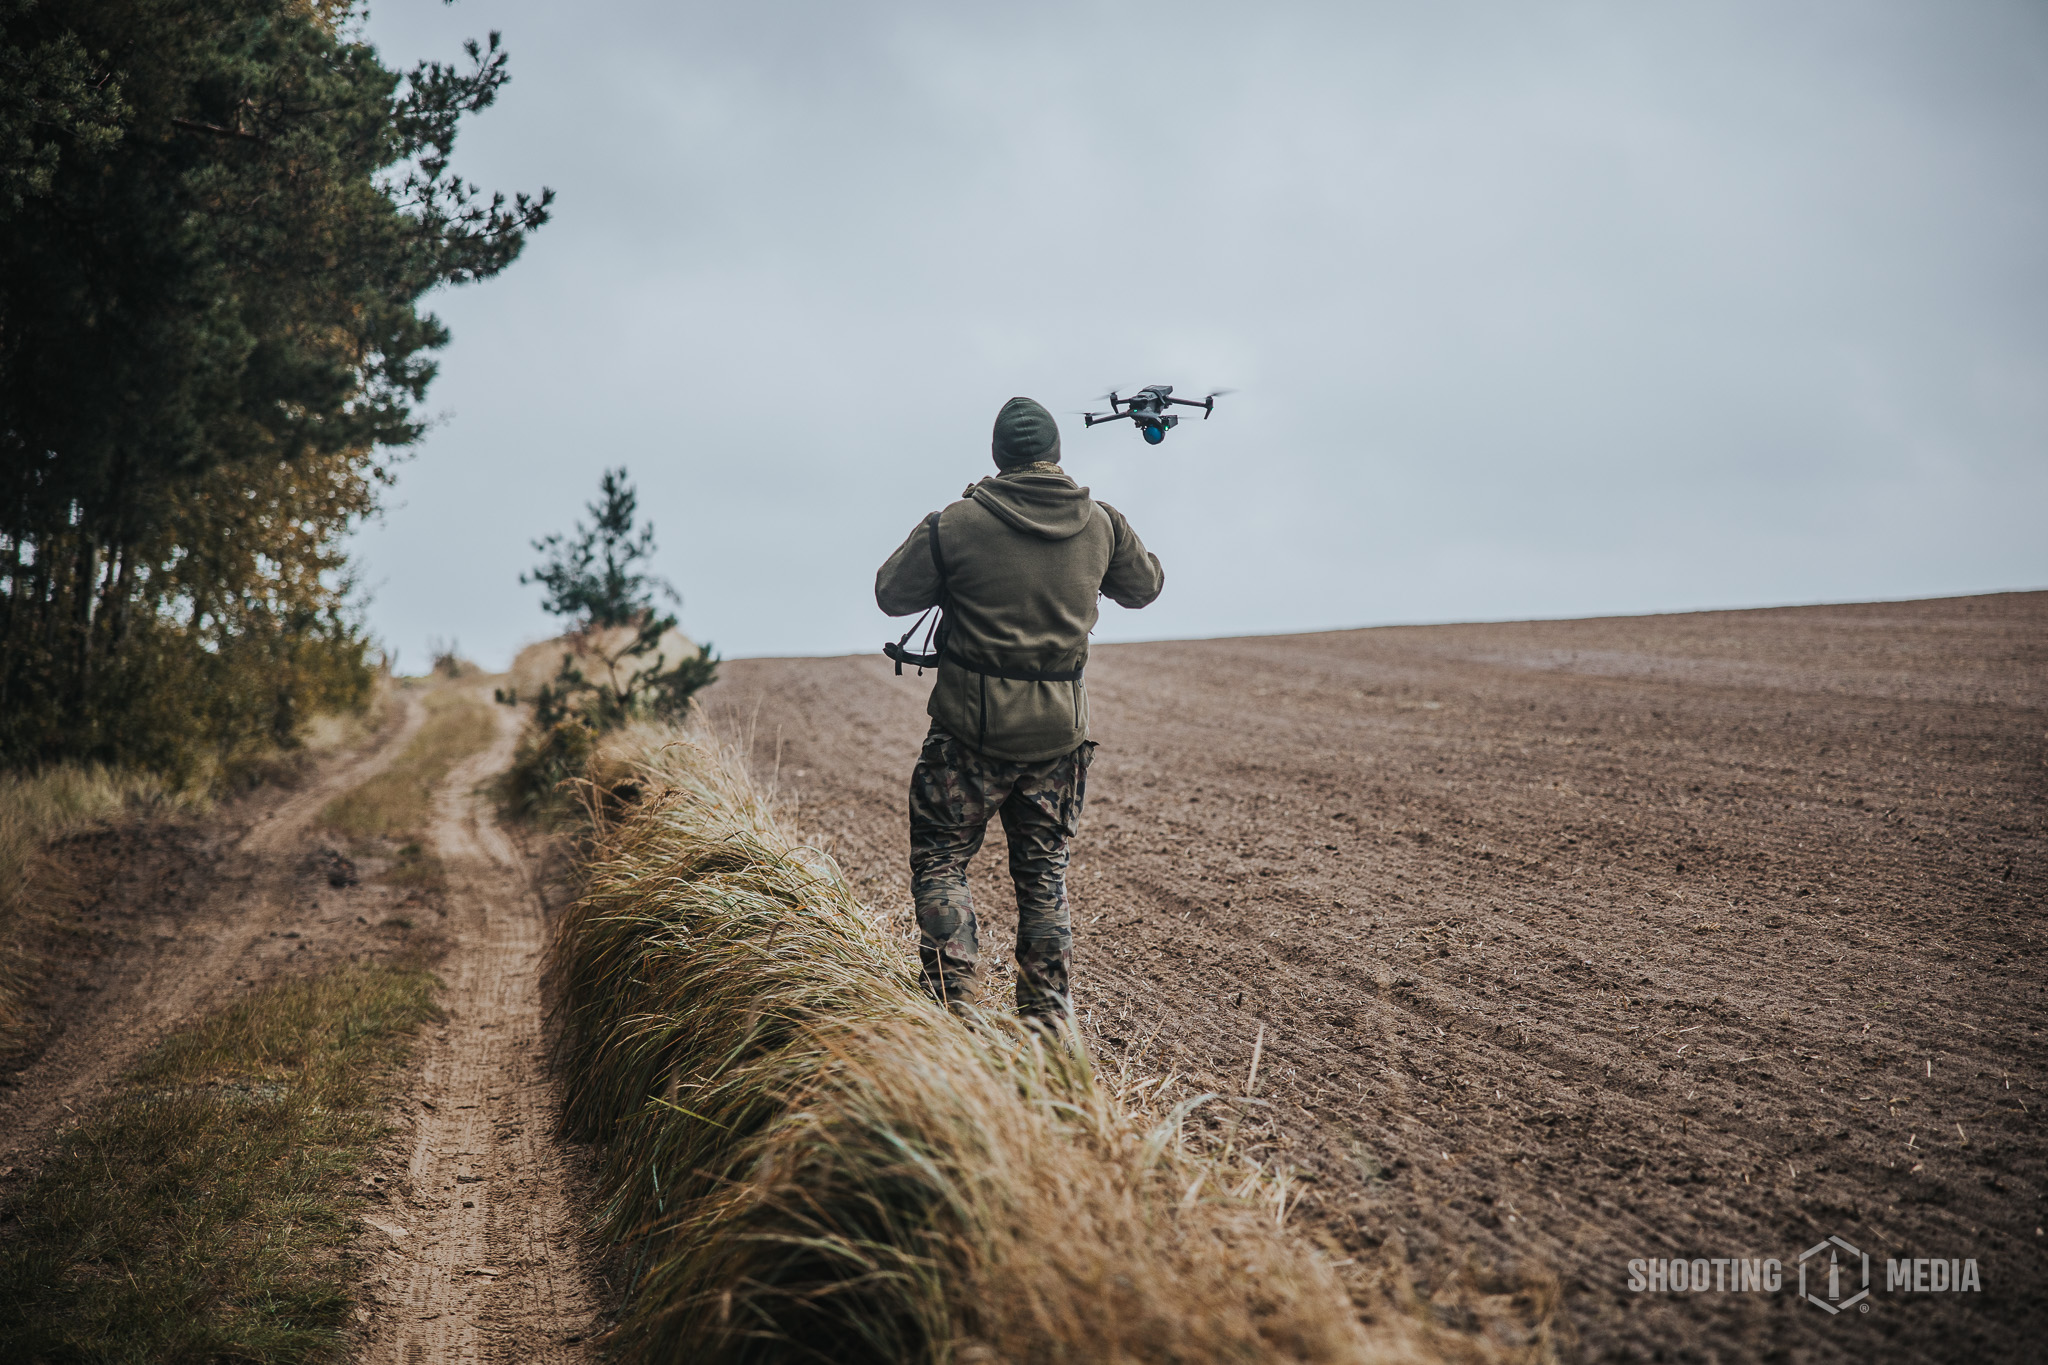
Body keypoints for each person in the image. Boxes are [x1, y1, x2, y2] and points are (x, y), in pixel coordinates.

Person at [875, 396, 1165, 1022]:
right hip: (1059, 739)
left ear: (998, 457)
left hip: (967, 737)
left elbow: (891, 595)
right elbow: (1145, 587)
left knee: (941, 859)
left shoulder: (956, 523)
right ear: (1056, 455)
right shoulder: (1101, 522)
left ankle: (954, 1006)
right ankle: (1046, 1027)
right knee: (1043, 880)